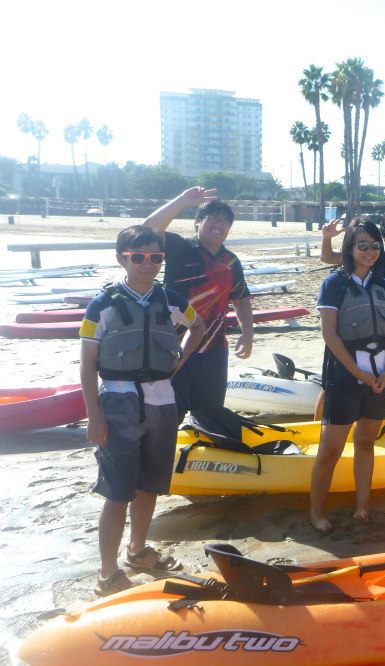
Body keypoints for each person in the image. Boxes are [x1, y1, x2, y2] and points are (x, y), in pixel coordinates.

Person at [79, 226, 206, 595]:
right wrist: (94, 416)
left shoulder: (171, 300)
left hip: (162, 402)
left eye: (155, 257)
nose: (148, 264)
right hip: (118, 404)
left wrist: (179, 360)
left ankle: (137, 551)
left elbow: (197, 326)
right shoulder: (102, 305)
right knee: (118, 491)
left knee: (150, 485)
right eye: (139, 257)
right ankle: (108, 573)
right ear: (122, 258)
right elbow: (87, 364)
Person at [310, 218, 385, 532]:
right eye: (363, 245)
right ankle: (316, 512)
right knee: (330, 449)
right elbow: (330, 335)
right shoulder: (334, 283)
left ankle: (363, 507)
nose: (370, 252)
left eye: (375, 246)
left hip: (378, 377)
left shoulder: (382, 283)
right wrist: (356, 371)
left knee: (365, 443)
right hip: (345, 377)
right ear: (350, 247)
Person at [143, 187, 254, 425]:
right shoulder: (180, 248)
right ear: (197, 222)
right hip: (174, 347)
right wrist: (182, 201)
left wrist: (248, 332)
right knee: (167, 415)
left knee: (210, 414)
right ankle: (162, 459)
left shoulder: (231, 261)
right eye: (213, 218)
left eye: (225, 221)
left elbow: (241, 298)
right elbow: (146, 230)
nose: (219, 224)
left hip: (214, 350)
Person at [315, 212, 385, 419]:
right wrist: (326, 238)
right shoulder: (339, 279)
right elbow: (328, 258)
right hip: (348, 368)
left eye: (375, 246)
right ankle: (317, 430)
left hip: (378, 370)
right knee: (328, 398)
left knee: (366, 440)